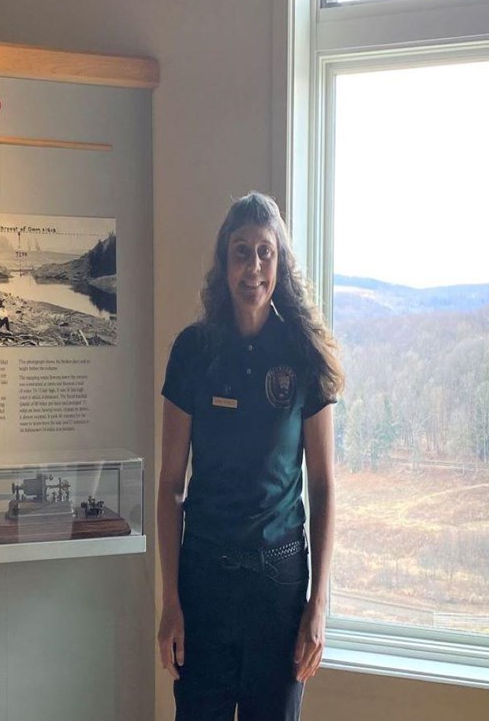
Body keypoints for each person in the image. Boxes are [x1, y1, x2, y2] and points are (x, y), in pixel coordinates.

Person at [157, 192, 344, 721]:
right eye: (242, 251)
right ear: (224, 261)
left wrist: (318, 607)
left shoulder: (303, 354)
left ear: (279, 263)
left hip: (279, 589)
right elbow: (171, 486)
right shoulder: (193, 351)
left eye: (265, 252)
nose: (254, 267)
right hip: (204, 583)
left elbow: (324, 486)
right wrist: (170, 602)